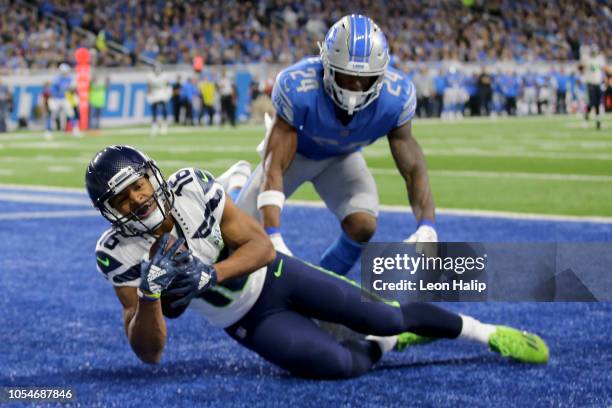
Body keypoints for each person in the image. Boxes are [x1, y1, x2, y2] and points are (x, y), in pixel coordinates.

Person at [86, 145, 549, 379]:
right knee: (339, 366)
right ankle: (388, 345)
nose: (136, 200)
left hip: (276, 276)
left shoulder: (191, 187)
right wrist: (149, 295)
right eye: (121, 199)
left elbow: (262, 249)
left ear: (152, 175)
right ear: (110, 212)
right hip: (244, 317)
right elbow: (150, 352)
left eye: (138, 185)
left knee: (387, 314)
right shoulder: (118, 252)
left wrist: (213, 273)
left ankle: (486, 333)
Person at [237, 14, 437, 276]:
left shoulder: (396, 98)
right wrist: (273, 234)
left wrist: (427, 226)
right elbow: (274, 165)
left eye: (364, 78)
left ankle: (325, 282)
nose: (355, 86)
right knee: (238, 236)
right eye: (346, 75)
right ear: (327, 66)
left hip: (341, 158)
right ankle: (235, 187)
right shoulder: (299, 86)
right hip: (295, 155)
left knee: (363, 224)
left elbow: (413, 170)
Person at [46, 63, 78, 140]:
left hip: (64, 98)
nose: (66, 73)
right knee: (53, 115)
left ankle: (75, 130)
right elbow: (53, 90)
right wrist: (54, 97)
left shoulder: (69, 78)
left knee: (71, 113)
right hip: (56, 99)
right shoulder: (57, 79)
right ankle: (48, 131)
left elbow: (72, 88)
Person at [581, 45, 606, 130]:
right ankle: (586, 118)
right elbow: (581, 66)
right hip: (590, 84)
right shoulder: (587, 60)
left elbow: (603, 70)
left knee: (598, 104)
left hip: (598, 83)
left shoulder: (600, 59)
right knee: (592, 103)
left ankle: (598, 122)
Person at [146, 65, 171, 136]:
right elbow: (149, 86)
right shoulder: (150, 76)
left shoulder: (164, 76)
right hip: (154, 93)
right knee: (154, 109)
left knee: (163, 109)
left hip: (162, 92)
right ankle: (154, 125)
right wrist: (149, 94)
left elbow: (168, 85)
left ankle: (164, 124)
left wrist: (167, 94)